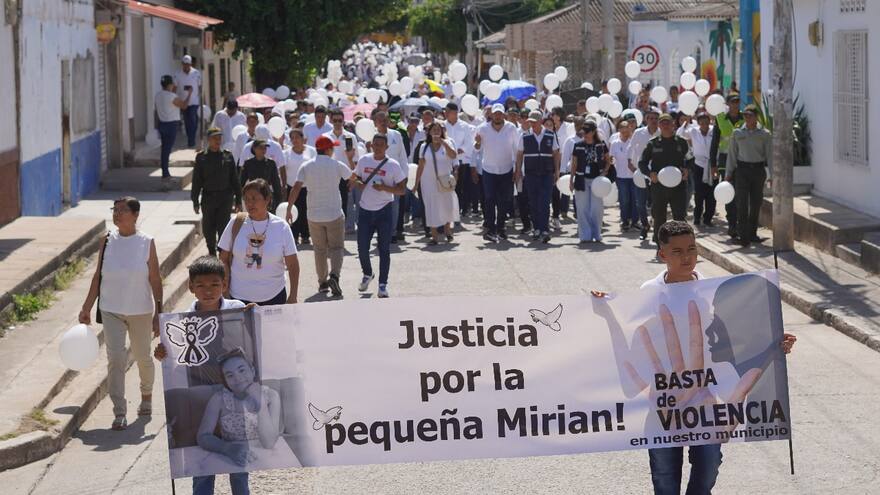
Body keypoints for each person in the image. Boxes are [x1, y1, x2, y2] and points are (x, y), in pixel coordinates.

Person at [591, 221, 797, 495]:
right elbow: (635, 338)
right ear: (662, 255)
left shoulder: (713, 290)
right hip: (664, 402)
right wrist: (606, 308)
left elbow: (741, 337)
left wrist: (775, 342)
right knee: (665, 479)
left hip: (709, 403)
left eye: (691, 249)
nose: (686, 257)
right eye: (677, 251)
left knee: (707, 473)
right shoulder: (649, 291)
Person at [153, 256, 255, 495]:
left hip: (235, 400)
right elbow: (174, 360)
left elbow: (256, 344)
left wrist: (257, 316)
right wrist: (162, 354)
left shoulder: (238, 310)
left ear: (225, 285)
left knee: (239, 469)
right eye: (201, 285)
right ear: (191, 287)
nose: (208, 291)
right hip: (199, 398)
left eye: (214, 284)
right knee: (201, 469)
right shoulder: (181, 321)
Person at [79, 197, 162, 430]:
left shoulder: (146, 242)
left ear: (135, 214)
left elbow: (155, 279)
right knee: (115, 358)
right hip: (110, 309)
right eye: (114, 210)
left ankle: (146, 396)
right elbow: (98, 277)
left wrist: (159, 312)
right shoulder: (106, 241)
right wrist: (86, 307)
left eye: (122, 210)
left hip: (140, 310)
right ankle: (119, 410)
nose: (117, 214)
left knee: (142, 356)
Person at [289, 136, 353, 297]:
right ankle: (335, 275)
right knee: (337, 248)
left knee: (319, 250)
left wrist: (289, 207)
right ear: (328, 149)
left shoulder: (307, 165)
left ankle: (323, 283)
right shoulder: (336, 164)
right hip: (334, 214)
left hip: (314, 215)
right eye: (332, 148)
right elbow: (352, 177)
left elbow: (296, 187)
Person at [218, 179, 299, 305]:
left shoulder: (281, 227)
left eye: (254, 198)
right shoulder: (236, 223)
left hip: (274, 296)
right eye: (246, 199)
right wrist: (224, 290)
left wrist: (293, 295)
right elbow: (223, 259)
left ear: (267, 199)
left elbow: (293, 264)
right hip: (238, 298)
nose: (250, 203)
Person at [351, 134, 407, 298]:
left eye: (381, 145)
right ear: (371, 145)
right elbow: (357, 177)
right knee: (362, 248)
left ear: (386, 147)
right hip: (365, 211)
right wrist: (358, 183)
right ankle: (367, 274)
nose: (377, 147)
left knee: (384, 250)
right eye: (375, 144)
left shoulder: (393, 165)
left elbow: (402, 190)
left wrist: (384, 188)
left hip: (384, 211)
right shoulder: (364, 160)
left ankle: (382, 285)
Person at [638, 113, 693, 244]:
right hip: (659, 187)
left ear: (673, 124)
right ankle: (660, 245)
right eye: (662, 123)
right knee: (659, 217)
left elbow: (691, 160)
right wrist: (650, 173)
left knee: (679, 217)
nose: (665, 125)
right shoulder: (652, 144)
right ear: (659, 125)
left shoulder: (682, 142)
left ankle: (680, 243)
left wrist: (687, 170)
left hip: (678, 187)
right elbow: (642, 163)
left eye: (668, 122)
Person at [726, 104, 772, 247]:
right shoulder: (737, 133)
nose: (747, 118)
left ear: (756, 117)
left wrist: (772, 175)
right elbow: (732, 154)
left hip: (758, 171)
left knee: (756, 203)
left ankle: (752, 233)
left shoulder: (764, 134)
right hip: (742, 171)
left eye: (749, 115)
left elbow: (770, 155)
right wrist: (728, 173)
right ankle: (743, 235)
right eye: (745, 115)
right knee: (742, 203)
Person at [192, 128, 242, 256]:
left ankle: (222, 253)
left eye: (219, 138)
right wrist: (195, 201)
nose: (217, 141)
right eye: (214, 138)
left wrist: (238, 200)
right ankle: (211, 250)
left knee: (224, 227)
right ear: (208, 140)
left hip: (225, 197)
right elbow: (197, 180)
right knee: (208, 228)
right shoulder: (202, 157)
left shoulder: (227, 156)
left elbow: (234, 179)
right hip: (208, 197)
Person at [474, 103, 519, 243]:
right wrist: (477, 143)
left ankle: (501, 228)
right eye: (495, 113)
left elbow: (517, 150)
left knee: (504, 201)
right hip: (489, 170)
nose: (498, 116)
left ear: (503, 114)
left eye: (500, 113)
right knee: (489, 200)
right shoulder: (482, 128)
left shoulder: (511, 128)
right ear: (491, 114)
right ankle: (490, 229)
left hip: (506, 170)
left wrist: (517, 169)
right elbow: (475, 149)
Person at [515, 111, 560, 243]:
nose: (532, 124)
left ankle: (544, 229)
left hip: (546, 173)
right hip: (531, 173)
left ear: (541, 121)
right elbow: (519, 154)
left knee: (545, 202)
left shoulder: (550, 135)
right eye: (531, 122)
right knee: (533, 202)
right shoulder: (525, 136)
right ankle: (536, 229)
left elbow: (556, 153)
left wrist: (556, 170)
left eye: (535, 121)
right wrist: (518, 170)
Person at [415, 122, 458, 245]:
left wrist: (443, 142)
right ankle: (434, 236)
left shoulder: (448, 143)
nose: (436, 132)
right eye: (433, 130)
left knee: (447, 205)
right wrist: (416, 183)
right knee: (431, 207)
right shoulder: (424, 146)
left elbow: (454, 155)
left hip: (444, 180)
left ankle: (447, 230)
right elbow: (420, 166)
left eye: (438, 130)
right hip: (428, 182)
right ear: (429, 132)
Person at [570, 121, 610, 243]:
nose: (585, 134)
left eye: (588, 132)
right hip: (581, 179)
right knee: (582, 208)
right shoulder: (578, 145)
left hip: (597, 180)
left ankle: (597, 234)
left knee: (596, 208)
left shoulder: (601, 145)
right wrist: (571, 180)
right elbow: (574, 164)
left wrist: (604, 172)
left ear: (593, 132)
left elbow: (609, 160)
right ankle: (585, 235)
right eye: (584, 132)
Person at [710, 94, 743, 238]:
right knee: (729, 192)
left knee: (741, 194)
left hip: (742, 160)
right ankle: (732, 225)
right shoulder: (720, 119)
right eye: (733, 102)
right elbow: (714, 143)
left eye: (737, 102)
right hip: (724, 160)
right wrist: (713, 165)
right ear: (728, 104)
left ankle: (741, 224)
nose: (735, 104)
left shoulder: (745, 118)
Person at [629, 108, 661, 240]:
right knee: (640, 203)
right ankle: (645, 225)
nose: (653, 121)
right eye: (651, 118)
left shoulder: (662, 133)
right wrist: (630, 163)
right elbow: (631, 148)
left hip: (656, 174)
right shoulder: (638, 132)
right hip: (641, 172)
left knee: (656, 203)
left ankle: (656, 228)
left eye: (655, 119)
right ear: (646, 120)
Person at [281, 128, 316, 245]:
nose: (295, 140)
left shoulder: (311, 151)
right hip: (292, 186)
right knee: (293, 211)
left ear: (302, 138)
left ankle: (306, 235)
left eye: (297, 137)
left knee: (306, 211)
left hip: (308, 186)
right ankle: (294, 235)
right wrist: (284, 185)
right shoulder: (286, 153)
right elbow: (282, 170)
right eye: (292, 138)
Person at [444, 103, 477, 218]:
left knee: (461, 187)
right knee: (448, 186)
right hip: (446, 161)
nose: (446, 113)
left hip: (461, 161)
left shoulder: (464, 126)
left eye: (449, 111)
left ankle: (463, 209)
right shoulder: (442, 126)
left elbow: (469, 142)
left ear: (455, 113)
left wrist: (461, 149)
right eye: (446, 111)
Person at [155, 75, 190, 179]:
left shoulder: (158, 95)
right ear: (170, 85)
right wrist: (189, 94)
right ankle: (165, 173)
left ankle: (165, 171)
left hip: (162, 123)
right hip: (171, 125)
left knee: (164, 149)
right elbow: (184, 105)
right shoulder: (171, 96)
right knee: (167, 149)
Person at [688, 112, 717, 227]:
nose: (704, 124)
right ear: (698, 123)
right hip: (698, 165)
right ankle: (697, 217)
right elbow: (680, 133)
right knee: (699, 193)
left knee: (711, 193)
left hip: (712, 165)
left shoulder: (714, 130)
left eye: (706, 122)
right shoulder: (693, 131)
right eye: (702, 122)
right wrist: (686, 122)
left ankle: (708, 218)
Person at [239, 140, 283, 209]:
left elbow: (276, 182)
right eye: (261, 148)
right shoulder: (248, 163)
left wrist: (278, 199)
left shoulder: (271, 163)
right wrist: (240, 198)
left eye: (265, 148)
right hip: (252, 195)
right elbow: (241, 182)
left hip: (266, 195)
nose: (263, 150)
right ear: (254, 149)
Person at [609, 120, 636, 230]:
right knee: (624, 200)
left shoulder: (634, 142)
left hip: (634, 176)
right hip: (621, 176)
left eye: (627, 127)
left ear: (630, 128)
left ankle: (635, 221)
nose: (625, 129)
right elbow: (610, 158)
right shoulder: (615, 143)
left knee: (635, 200)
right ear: (619, 129)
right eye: (622, 127)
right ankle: (624, 221)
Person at [175, 55, 202, 148]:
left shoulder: (196, 73)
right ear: (182, 64)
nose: (186, 66)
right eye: (184, 64)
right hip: (183, 102)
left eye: (188, 64)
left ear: (190, 64)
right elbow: (175, 87)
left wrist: (200, 97)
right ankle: (190, 138)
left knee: (193, 120)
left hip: (194, 101)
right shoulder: (177, 74)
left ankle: (192, 139)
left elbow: (199, 86)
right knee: (187, 121)